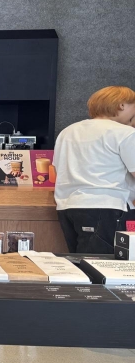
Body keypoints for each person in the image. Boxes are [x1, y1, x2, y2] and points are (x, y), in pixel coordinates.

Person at [54, 86, 135, 253]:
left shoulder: (67, 132)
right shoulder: (125, 133)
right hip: (107, 208)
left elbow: (57, 170)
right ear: (122, 105)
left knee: (81, 263)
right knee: (105, 264)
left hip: (67, 207)